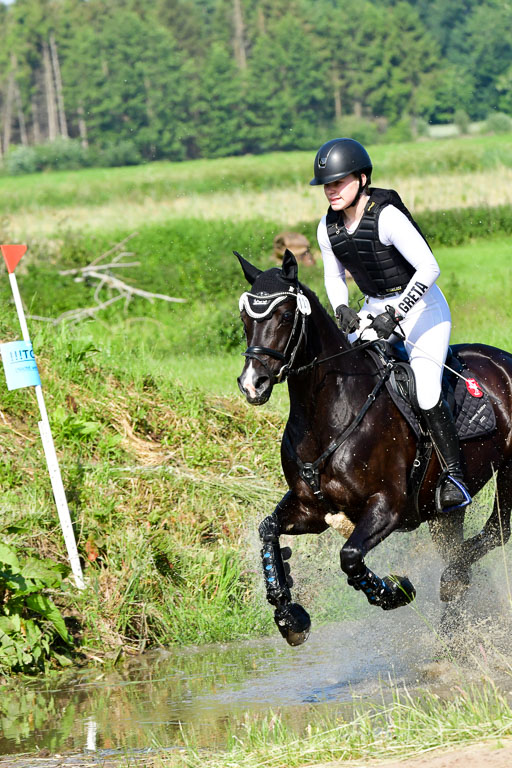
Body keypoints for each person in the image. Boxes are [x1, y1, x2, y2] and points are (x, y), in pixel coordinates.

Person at [310, 137, 471, 512]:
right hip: (372, 309)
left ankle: (454, 476)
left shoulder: (386, 216)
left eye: (339, 182)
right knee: (344, 376)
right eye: (327, 185)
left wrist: (397, 314)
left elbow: (429, 268)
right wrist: (341, 309)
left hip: (422, 309)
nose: (331, 190)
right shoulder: (326, 228)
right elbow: (334, 278)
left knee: (426, 391)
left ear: (362, 179)